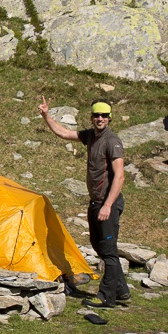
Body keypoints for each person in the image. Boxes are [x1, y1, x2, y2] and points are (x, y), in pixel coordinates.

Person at [38, 96, 129, 308]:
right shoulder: (91, 136)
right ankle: (121, 290)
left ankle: (107, 297)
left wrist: (107, 205)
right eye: (96, 115)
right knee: (100, 247)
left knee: (108, 250)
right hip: (96, 202)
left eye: (104, 116)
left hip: (108, 203)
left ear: (109, 118)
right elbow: (64, 133)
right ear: (91, 117)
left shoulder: (112, 141)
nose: (100, 118)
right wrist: (46, 116)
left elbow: (120, 176)